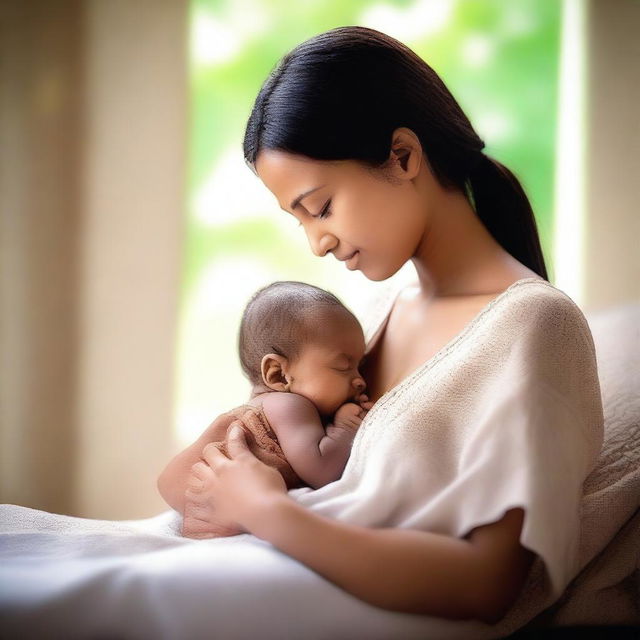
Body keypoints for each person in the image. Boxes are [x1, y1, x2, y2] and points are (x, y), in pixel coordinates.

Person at [157, 25, 604, 627]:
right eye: (300, 221)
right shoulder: (374, 316)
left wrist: (269, 514)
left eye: (320, 207)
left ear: (403, 156)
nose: (317, 244)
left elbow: (484, 585)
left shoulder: (533, 324)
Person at [157, 280, 372, 538]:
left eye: (360, 365)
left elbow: (168, 480)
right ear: (279, 375)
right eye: (343, 366)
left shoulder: (264, 407)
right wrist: (345, 429)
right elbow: (322, 471)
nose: (360, 379)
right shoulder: (289, 405)